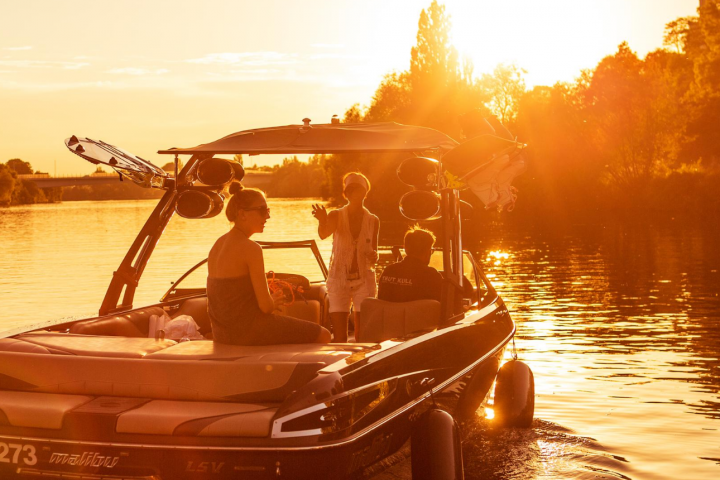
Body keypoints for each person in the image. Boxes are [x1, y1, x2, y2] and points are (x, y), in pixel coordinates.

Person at [207, 183, 331, 345]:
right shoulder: (251, 248)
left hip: (222, 334)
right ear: (242, 214)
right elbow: (266, 307)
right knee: (323, 335)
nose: (267, 216)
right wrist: (274, 300)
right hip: (247, 333)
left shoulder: (217, 245)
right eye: (262, 211)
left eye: (268, 211)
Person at [311, 172, 379, 342]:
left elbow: (374, 255)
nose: (353, 193)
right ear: (346, 194)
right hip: (339, 279)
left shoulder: (373, 220)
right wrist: (322, 220)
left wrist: (373, 255)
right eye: (350, 190)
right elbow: (323, 234)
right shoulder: (336, 215)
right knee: (340, 336)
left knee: (363, 335)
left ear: (365, 192)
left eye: (358, 189)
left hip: (364, 280)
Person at [378, 226, 443, 303]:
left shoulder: (389, 271)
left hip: (391, 315)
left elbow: (381, 299)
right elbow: (443, 305)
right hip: (419, 315)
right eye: (431, 250)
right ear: (428, 251)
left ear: (406, 249)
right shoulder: (432, 276)